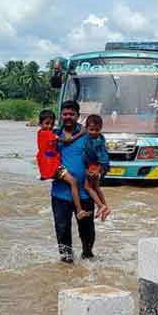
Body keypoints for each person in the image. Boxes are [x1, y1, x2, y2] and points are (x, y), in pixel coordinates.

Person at [51, 100, 96, 264]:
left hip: (84, 193)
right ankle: (66, 264)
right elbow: (44, 157)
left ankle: (88, 257)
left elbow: (97, 158)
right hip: (60, 193)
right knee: (62, 231)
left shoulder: (87, 135)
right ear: (61, 116)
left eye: (71, 114)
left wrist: (98, 174)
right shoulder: (53, 136)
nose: (68, 117)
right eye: (65, 114)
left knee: (87, 230)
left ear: (77, 116)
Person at [36, 109, 89, 221]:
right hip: (52, 165)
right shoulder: (49, 134)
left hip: (47, 163)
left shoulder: (40, 133)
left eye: (51, 123)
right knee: (73, 182)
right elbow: (67, 141)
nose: (50, 126)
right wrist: (81, 133)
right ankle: (79, 210)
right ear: (40, 124)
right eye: (46, 123)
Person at [83, 114, 111, 221]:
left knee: (88, 187)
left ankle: (100, 205)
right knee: (96, 187)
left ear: (101, 129)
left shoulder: (96, 142)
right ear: (86, 128)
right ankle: (106, 207)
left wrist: (97, 170)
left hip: (94, 167)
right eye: (91, 129)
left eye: (96, 130)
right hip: (97, 167)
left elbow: (102, 157)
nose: (94, 132)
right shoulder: (101, 138)